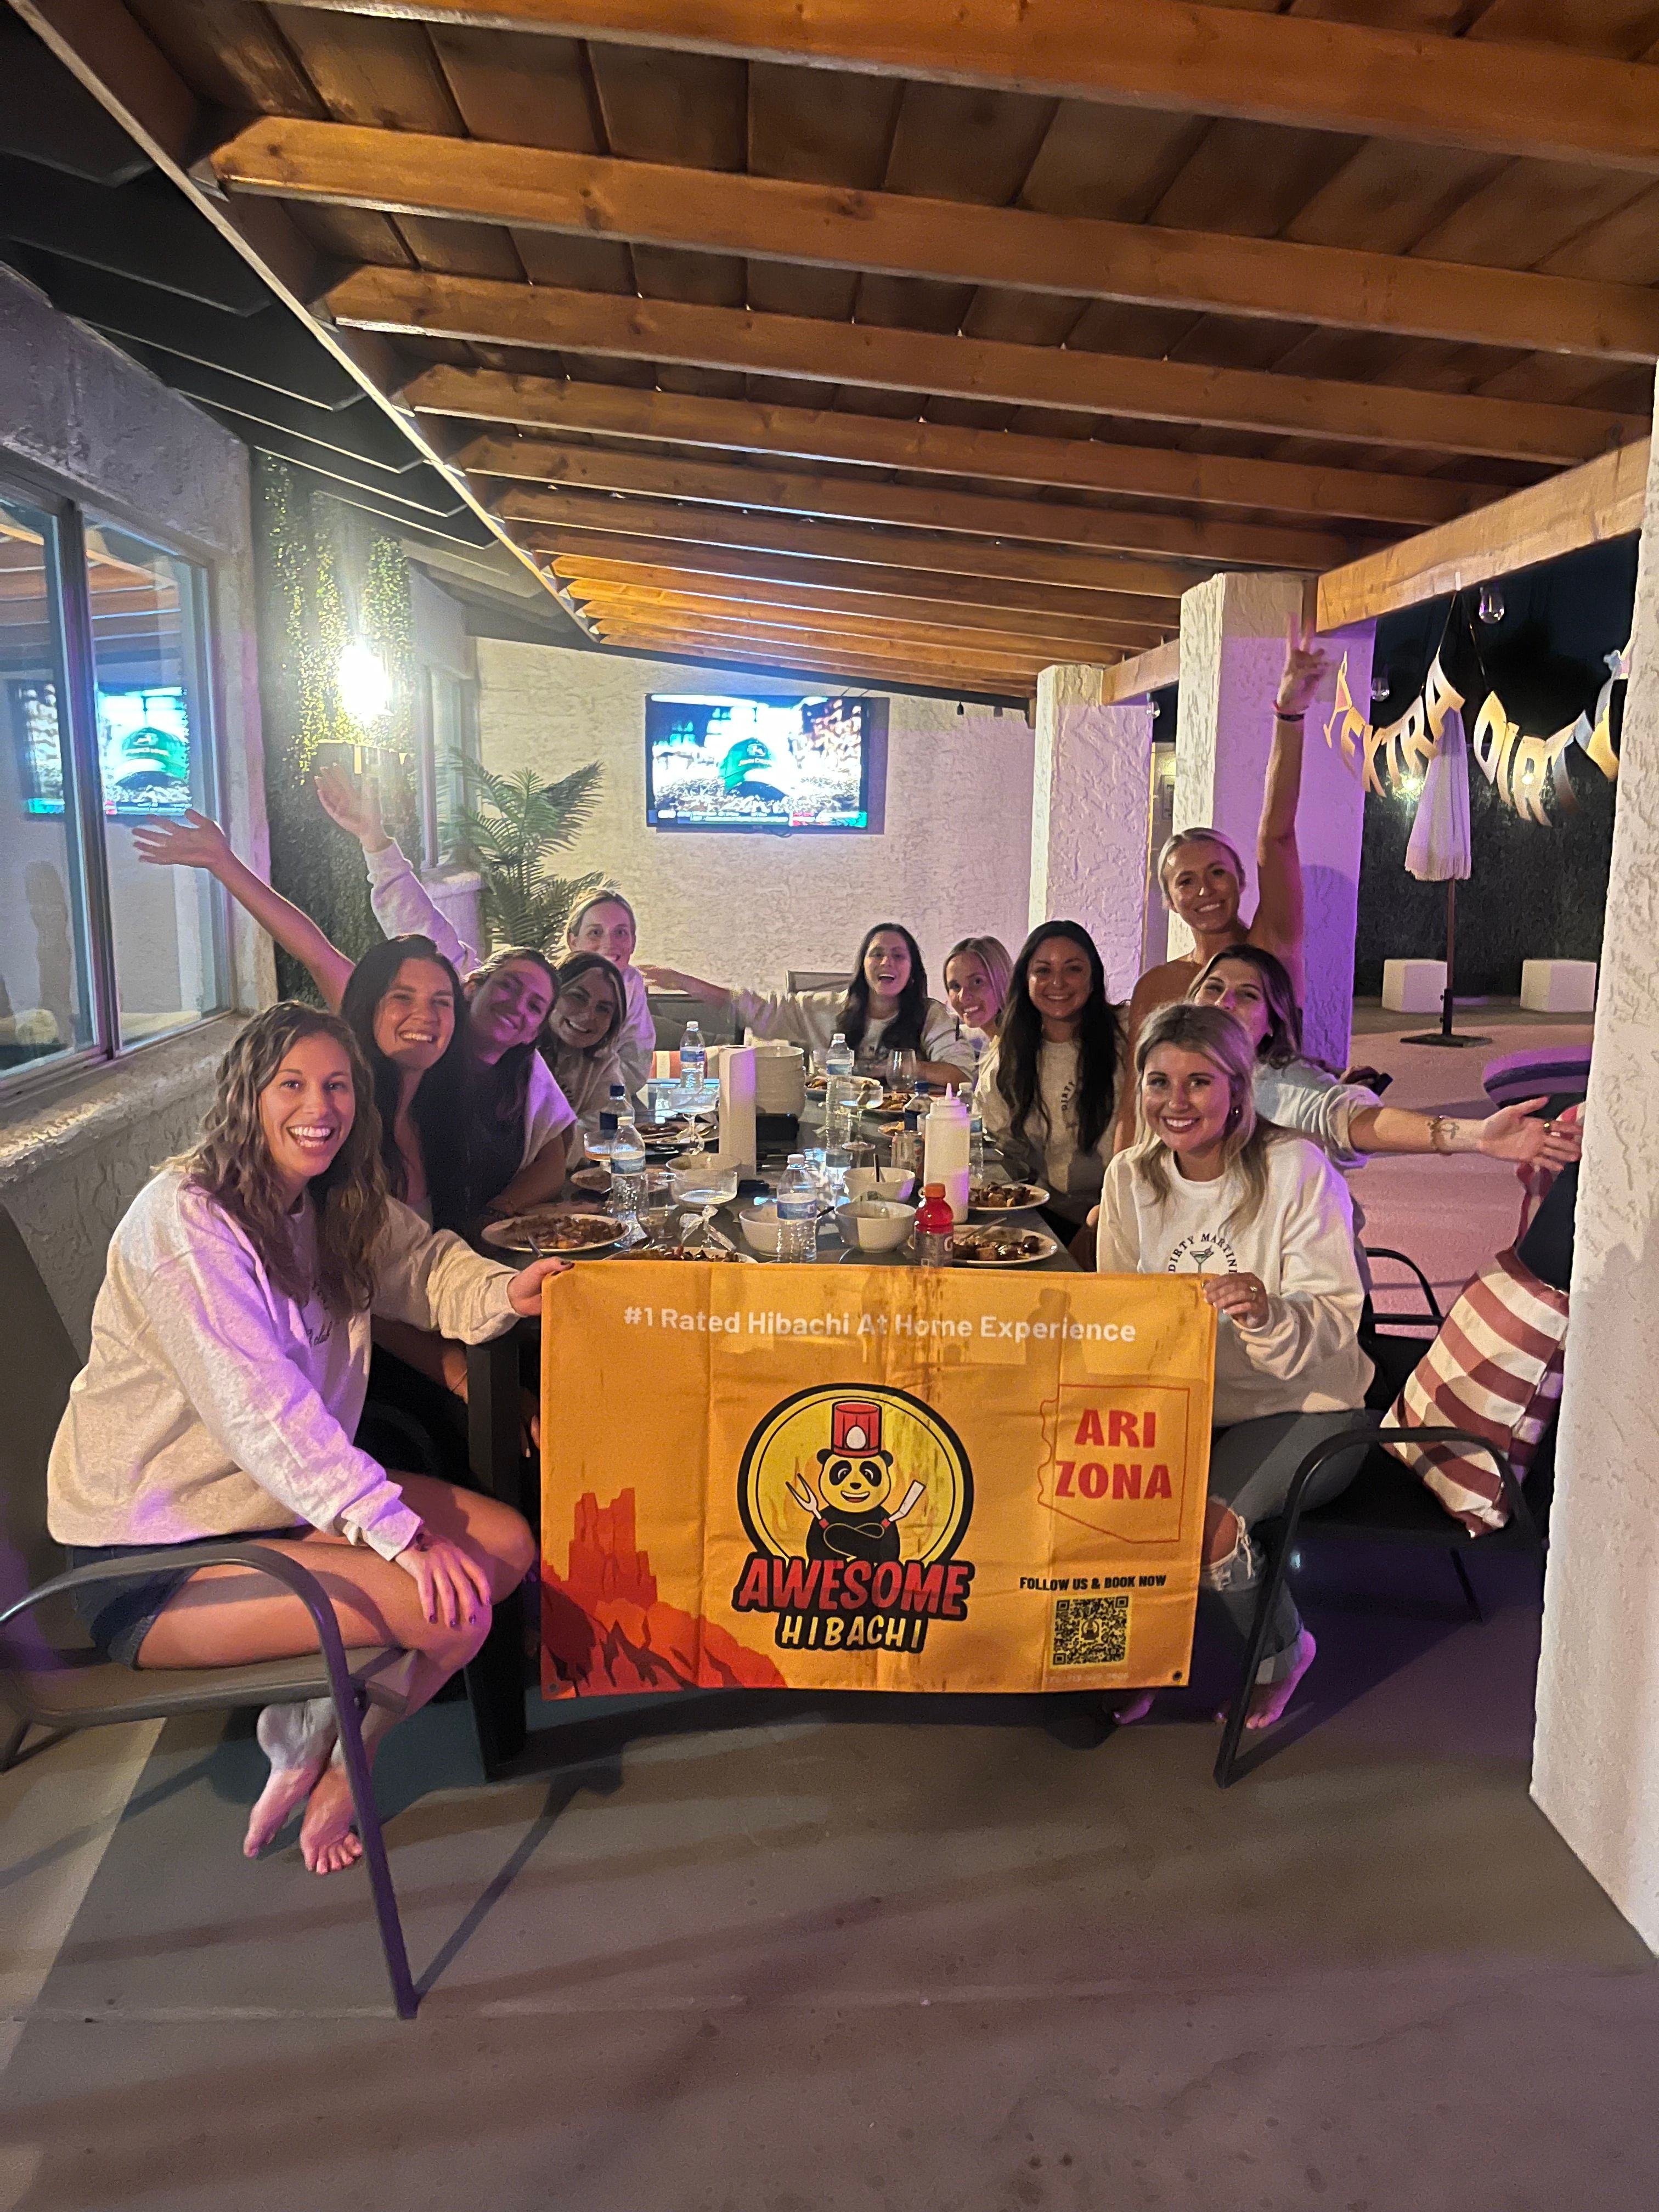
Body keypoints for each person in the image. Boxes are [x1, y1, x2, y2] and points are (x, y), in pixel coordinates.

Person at [47, 1005, 563, 1874]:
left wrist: (505, 1296)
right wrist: (395, 1534)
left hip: (269, 1510)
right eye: (292, 1085)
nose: (317, 1107)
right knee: (456, 1604)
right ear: (245, 1095)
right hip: (143, 1554)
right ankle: (343, 1768)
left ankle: (315, 1738)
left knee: (506, 1546)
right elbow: (260, 1407)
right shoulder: (184, 1221)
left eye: (336, 1087)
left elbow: (428, 1265)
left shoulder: (331, 1200)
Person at [1098, 1001, 1373, 1731]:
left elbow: (1337, 1319)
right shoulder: (1130, 1175)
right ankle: (1135, 1660)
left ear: (1237, 1089)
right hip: (1187, 1401)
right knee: (1096, 1496)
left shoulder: (1297, 1170)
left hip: (1304, 1404)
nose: (1175, 1103)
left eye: (1198, 1082)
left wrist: (1266, 1311)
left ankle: (1285, 1653)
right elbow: (1120, 1309)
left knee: (1208, 1528)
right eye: (1158, 1083)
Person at [133, 812, 573, 1226]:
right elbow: (316, 953)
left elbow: (419, 1253)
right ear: (473, 988)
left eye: (439, 1002)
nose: (423, 1014)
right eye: (403, 997)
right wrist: (223, 863)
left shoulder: (469, 1095)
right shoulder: (341, 1106)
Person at [316, 768, 658, 1097]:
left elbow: (605, 1113)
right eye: (596, 932)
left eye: (604, 1010)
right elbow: (418, 926)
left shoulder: (595, 1064)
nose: (518, 1007)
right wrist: (375, 843)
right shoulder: (475, 1034)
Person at [1116, 614, 1327, 1143]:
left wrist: (1290, 713)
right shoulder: (1159, 986)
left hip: (1266, 1140)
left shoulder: (1270, 948)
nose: (1204, 890)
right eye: (1185, 882)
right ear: (1169, 900)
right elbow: (1135, 1100)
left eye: (1217, 873)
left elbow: (1276, 834)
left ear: (1242, 881)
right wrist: (1116, 1194)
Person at [1188, 947, 1583, 1182]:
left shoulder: (1285, 1086)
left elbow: (1354, 1121)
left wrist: (1476, 1135)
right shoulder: (1159, 1072)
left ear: (1272, 1022)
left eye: (1247, 995)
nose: (1225, 1002)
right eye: (1214, 988)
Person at [641, 924, 975, 1085]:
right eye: (877, 954)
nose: (887, 962)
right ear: (863, 965)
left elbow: (961, 1075)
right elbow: (755, 1009)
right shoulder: (827, 1008)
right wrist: (684, 983)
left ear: (913, 970)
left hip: (904, 1133)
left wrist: (905, 1068)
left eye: (899, 956)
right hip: (827, 1128)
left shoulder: (931, 1016)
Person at [974, 923, 1121, 1238]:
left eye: (1073, 969)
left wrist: (1103, 1217)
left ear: (1093, 979)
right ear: (1025, 980)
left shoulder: (1127, 1036)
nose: (1057, 983)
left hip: (1121, 1214)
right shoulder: (1008, 1057)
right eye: (1043, 970)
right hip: (1045, 1216)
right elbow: (997, 1150)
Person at [544, 951, 628, 1147]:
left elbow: (605, 1130)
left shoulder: (604, 1062)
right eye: (577, 997)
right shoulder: (518, 1048)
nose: (588, 1015)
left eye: (603, 1009)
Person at [943, 935, 1014, 1055]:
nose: (963, 997)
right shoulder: (990, 1047)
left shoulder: (1017, 1049)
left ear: (1002, 980)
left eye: (977, 982)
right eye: (956, 987)